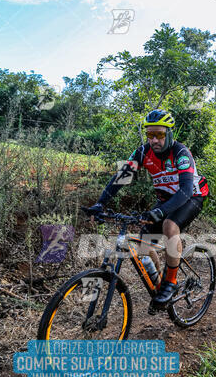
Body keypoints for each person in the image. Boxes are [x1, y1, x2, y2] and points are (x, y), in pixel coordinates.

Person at [87, 110, 209, 309]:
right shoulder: (143, 152)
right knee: (144, 247)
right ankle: (160, 286)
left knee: (170, 226)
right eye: (150, 135)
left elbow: (186, 190)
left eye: (159, 135)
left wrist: (161, 212)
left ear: (169, 133)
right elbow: (121, 178)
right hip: (166, 198)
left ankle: (171, 282)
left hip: (192, 196)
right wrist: (101, 203)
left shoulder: (181, 153)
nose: (154, 140)